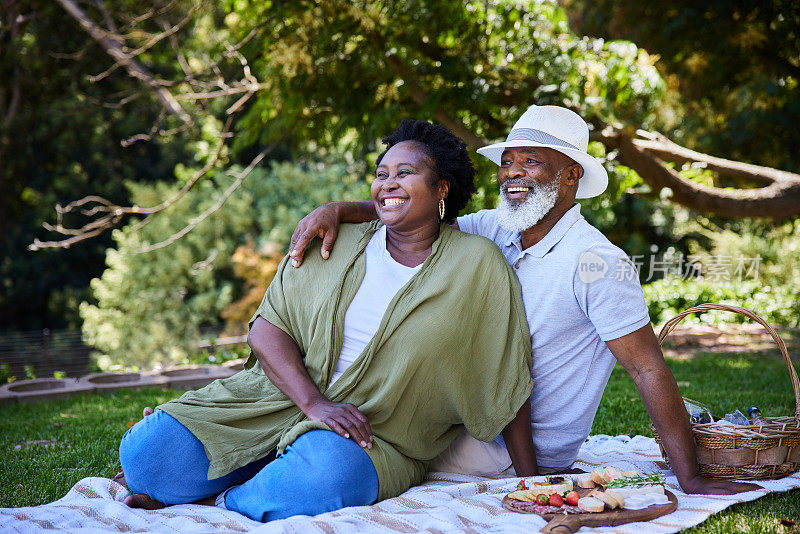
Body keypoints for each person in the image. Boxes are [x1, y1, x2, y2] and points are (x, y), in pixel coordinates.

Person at [288, 105, 760, 495]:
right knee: (327, 407)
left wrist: (690, 477)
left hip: (509, 446)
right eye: (507, 161)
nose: (512, 172)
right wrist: (338, 210)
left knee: (360, 434)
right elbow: (415, 210)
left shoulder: (596, 262)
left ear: (571, 175)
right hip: (470, 416)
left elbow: (647, 368)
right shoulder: (493, 227)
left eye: (530, 161)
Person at [116, 119, 538, 522]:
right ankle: (259, 479)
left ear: (441, 186)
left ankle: (218, 500)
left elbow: (504, 374)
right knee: (147, 453)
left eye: (404, 172)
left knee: (327, 475)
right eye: (381, 173)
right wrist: (313, 403)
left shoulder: (477, 263)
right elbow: (267, 328)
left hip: (371, 437)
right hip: (276, 402)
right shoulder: (336, 240)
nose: (387, 182)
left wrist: (532, 480)